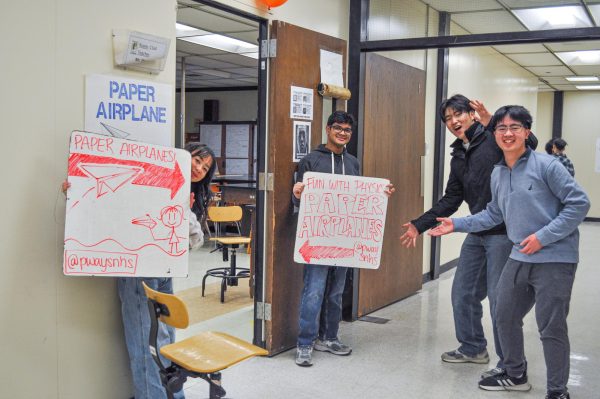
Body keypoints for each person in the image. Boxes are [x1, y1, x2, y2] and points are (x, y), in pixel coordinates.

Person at [430, 105, 590, 399]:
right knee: (503, 314)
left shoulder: (547, 166)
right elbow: (493, 214)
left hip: (555, 259)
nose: (507, 133)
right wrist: (457, 223)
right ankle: (515, 373)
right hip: (519, 255)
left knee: (550, 326)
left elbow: (579, 204)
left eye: (515, 127)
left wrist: (543, 237)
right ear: (494, 134)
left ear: (526, 132)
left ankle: (557, 391)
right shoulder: (499, 173)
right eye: (501, 128)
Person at [63, 142, 217, 399]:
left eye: (205, 167)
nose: (199, 168)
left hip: (163, 270)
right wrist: (77, 190)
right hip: (138, 268)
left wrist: (186, 211)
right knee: (148, 345)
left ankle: (171, 396)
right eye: (197, 160)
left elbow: (193, 242)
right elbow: (114, 205)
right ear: (184, 154)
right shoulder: (152, 175)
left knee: (164, 341)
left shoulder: (188, 193)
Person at [399, 94, 537, 379]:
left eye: (458, 114)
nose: (453, 121)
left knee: (501, 302)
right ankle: (473, 347)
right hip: (477, 230)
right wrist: (418, 224)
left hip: (504, 232)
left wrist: (491, 124)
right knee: (462, 293)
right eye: (447, 118)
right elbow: (452, 197)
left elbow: (529, 146)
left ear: (472, 114)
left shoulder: (492, 138)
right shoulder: (459, 154)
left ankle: (511, 365)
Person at [291, 110, 394, 367]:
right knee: (313, 292)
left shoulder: (354, 163)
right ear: (328, 129)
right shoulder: (311, 161)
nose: (342, 133)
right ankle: (305, 343)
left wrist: (380, 196)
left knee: (336, 293)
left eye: (347, 130)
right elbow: (297, 202)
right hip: (317, 240)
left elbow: (358, 199)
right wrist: (296, 194)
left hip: (345, 241)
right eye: (338, 128)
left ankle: (329, 337)